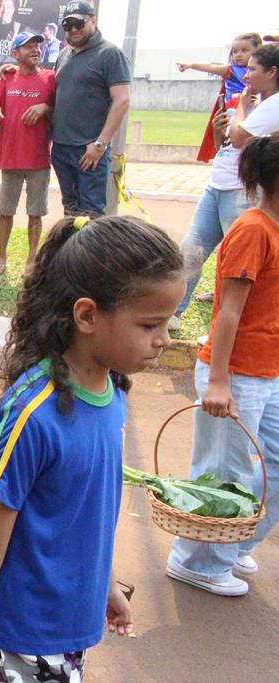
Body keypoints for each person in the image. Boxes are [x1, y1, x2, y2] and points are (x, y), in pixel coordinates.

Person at [0, 214, 185, 682]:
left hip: (71, 622)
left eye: (168, 323)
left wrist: (104, 584)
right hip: (24, 637)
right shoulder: (31, 415)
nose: (164, 341)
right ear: (87, 316)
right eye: (151, 324)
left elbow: (88, 512)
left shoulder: (113, 391)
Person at [165, 136, 279, 597]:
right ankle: (199, 561)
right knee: (222, 471)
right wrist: (218, 381)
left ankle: (231, 544)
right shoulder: (252, 229)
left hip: (268, 372)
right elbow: (227, 311)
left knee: (273, 462)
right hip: (236, 374)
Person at [170, 44, 279, 331]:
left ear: (272, 72)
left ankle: (241, 326)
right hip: (218, 185)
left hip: (242, 191)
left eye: (253, 69)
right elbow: (229, 147)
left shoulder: (274, 104)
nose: (246, 76)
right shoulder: (259, 104)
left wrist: (242, 106)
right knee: (191, 251)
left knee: (239, 264)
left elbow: (241, 138)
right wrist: (222, 133)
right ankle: (173, 313)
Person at [0, 32, 56, 276]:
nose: (35, 50)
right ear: (15, 54)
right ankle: (1, 258)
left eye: (37, 46)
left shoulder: (51, 79)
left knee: (35, 213)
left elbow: (61, 106)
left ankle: (31, 261)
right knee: (5, 211)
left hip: (38, 159)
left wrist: (45, 107)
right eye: (28, 47)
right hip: (10, 157)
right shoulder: (6, 78)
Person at [49, 1, 130, 217]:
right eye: (68, 25)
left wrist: (100, 144)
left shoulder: (110, 54)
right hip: (61, 147)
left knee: (91, 213)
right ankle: (71, 251)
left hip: (89, 149)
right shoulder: (64, 55)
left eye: (79, 23)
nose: (73, 30)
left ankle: (92, 252)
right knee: (70, 208)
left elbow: (122, 101)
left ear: (93, 21)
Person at [178, 33, 263, 108]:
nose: (238, 55)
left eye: (244, 50)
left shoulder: (264, 69)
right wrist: (192, 65)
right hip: (234, 109)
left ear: (258, 50)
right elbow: (210, 67)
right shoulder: (231, 69)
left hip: (255, 107)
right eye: (235, 51)